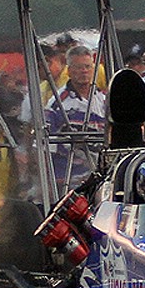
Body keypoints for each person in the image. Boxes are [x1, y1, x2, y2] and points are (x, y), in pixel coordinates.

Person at [44, 46, 106, 186]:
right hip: (68, 179)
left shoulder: (104, 100)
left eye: (87, 66)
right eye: (78, 67)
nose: (84, 71)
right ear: (69, 70)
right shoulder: (57, 103)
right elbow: (45, 148)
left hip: (99, 177)